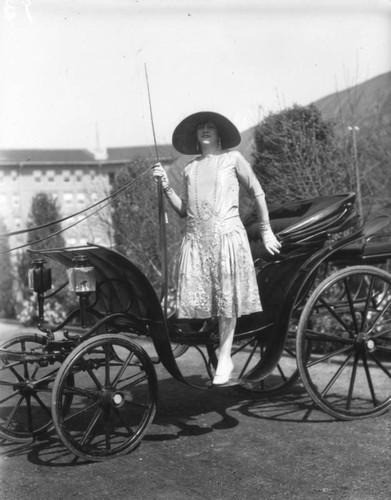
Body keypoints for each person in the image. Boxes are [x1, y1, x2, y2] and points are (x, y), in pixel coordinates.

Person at [152, 111, 281, 385]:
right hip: (198, 240)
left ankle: (225, 354)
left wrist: (267, 230)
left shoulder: (233, 159)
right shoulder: (190, 169)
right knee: (204, 301)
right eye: (201, 127)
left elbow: (257, 191)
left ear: (219, 133)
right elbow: (184, 211)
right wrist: (165, 186)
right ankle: (212, 341)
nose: (205, 130)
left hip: (227, 237)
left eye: (210, 126)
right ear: (196, 136)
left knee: (226, 297)